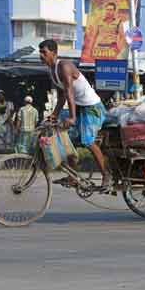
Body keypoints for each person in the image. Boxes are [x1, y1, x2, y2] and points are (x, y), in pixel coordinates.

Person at [39, 39, 109, 189]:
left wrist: (72, 117)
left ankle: (106, 175)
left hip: (92, 108)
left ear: (54, 53)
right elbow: (62, 95)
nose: (41, 55)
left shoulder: (64, 66)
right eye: (40, 52)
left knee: (88, 141)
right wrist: (55, 114)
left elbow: (69, 91)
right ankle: (73, 176)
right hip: (79, 107)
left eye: (44, 52)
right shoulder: (52, 71)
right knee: (66, 139)